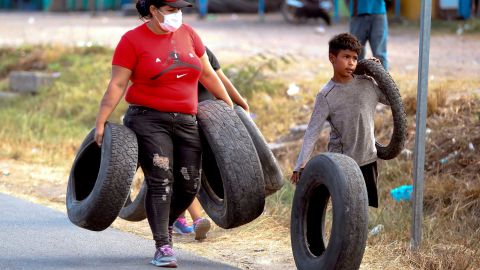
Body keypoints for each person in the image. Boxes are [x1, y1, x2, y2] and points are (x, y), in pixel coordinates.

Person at [93, 0, 234, 268]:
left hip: (186, 120)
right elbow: (118, 83)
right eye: (170, 10)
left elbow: (208, 75)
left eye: (179, 9)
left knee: (190, 183)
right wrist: (101, 122)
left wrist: (229, 110)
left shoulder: (190, 34)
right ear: (154, 10)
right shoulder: (132, 40)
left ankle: (165, 223)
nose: (177, 15)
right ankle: (162, 246)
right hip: (147, 119)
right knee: (161, 179)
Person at [290, 33, 389, 209]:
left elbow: (392, 100)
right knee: (345, 209)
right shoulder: (326, 95)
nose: (351, 62)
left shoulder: (367, 84)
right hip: (342, 161)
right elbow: (312, 131)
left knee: (364, 210)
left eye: (355, 58)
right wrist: (301, 164)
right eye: (346, 57)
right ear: (332, 58)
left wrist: (381, 75)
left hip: (368, 158)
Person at [172, 47, 250, 240]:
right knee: (184, 168)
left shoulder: (201, 49)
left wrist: (239, 103)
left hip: (209, 120)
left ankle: (178, 218)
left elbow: (220, 79)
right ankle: (196, 220)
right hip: (182, 117)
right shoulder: (165, 51)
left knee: (192, 168)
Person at [349, 0, 389, 70]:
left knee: (380, 54)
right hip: (358, 12)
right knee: (355, 53)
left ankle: (383, 80)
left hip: (378, 10)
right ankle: (356, 80)